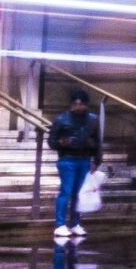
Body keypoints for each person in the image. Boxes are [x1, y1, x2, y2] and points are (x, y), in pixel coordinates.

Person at [48, 91, 101, 241]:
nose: (78, 106)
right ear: (71, 104)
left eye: (81, 104)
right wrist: (62, 142)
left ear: (86, 104)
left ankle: (75, 223)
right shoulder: (62, 119)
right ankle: (60, 224)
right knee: (66, 191)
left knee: (79, 193)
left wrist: (96, 160)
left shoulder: (92, 120)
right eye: (75, 103)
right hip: (67, 159)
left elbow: (97, 141)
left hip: (84, 159)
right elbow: (51, 141)